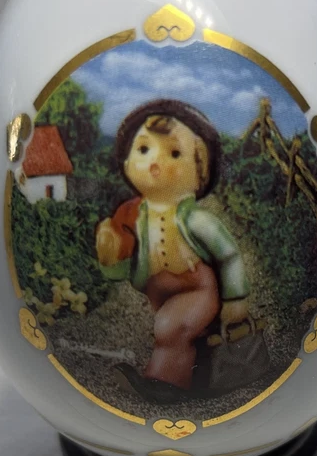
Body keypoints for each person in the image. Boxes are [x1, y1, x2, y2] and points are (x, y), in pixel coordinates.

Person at [96, 99, 250, 403]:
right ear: (127, 163)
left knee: (170, 328)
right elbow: (122, 269)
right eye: (144, 149)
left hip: (197, 290)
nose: (154, 162)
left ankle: (164, 385)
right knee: (173, 331)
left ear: (200, 172)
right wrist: (110, 256)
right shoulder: (135, 218)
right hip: (161, 294)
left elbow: (229, 256)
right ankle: (189, 374)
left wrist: (236, 299)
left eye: (175, 153)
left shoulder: (196, 220)